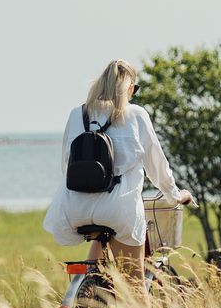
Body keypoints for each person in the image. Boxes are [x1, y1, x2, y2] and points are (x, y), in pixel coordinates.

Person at [42, 59, 191, 293]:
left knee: (97, 264)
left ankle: (87, 294)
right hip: (119, 210)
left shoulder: (76, 114)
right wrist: (175, 196)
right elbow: (157, 166)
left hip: (73, 208)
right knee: (135, 284)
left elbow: (66, 164)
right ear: (130, 88)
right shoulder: (136, 115)